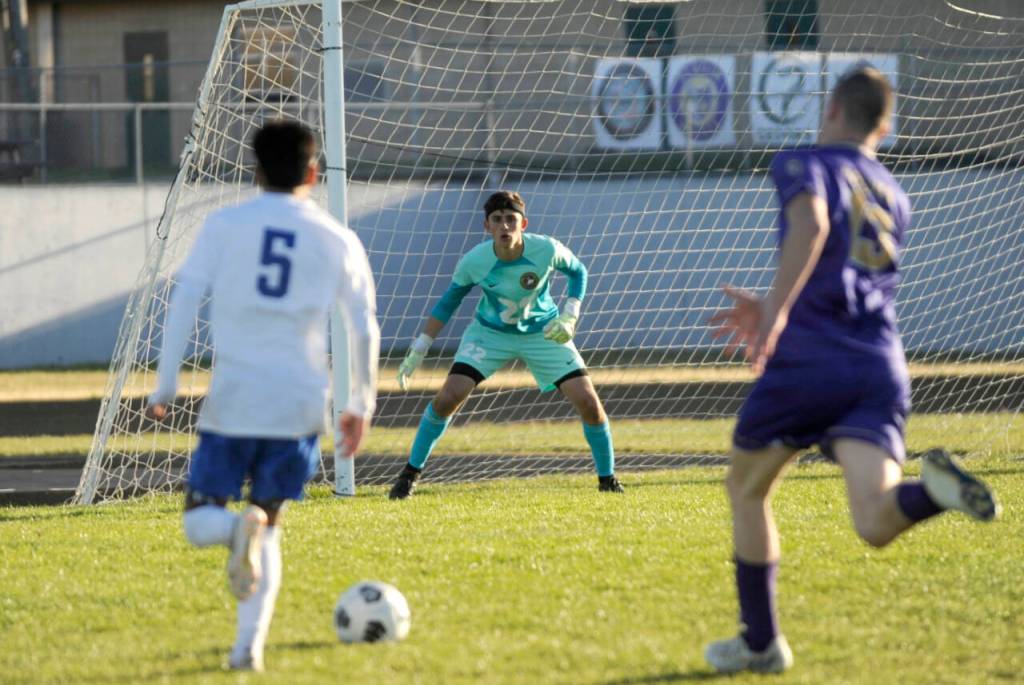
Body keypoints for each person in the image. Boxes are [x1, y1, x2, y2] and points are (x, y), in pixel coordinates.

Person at [704, 68, 1000, 674]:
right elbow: (841, 263)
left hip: (811, 357)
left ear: (833, 108)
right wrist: (775, 306)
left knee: (746, 487)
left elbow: (812, 225)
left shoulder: (804, 162)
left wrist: (774, 315)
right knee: (875, 520)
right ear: (884, 127)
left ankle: (761, 642)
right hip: (879, 364)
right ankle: (936, 491)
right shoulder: (893, 190)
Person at [145, 120, 380, 672]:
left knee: (200, 521)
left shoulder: (225, 224)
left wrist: (167, 382)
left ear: (255, 169)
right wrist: (360, 404)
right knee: (268, 525)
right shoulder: (336, 236)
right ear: (314, 172)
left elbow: (183, 299)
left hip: (234, 398)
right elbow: (363, 325)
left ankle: (233, 530)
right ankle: (246, 649)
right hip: (298, 402)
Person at [388, 190, 622, 499]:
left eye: (511, 219)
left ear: (523, 223)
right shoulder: (475, 260)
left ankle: (608, 481)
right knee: (449, 396)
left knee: (590, 404)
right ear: (487, 226)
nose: (505, 226)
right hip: (490, 334)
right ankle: (408, 475)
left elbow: (578, 271)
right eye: (497, 220)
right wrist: (420, 347)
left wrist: (570, 314)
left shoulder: (546, 249)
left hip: (543, 332)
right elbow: (448, 302)